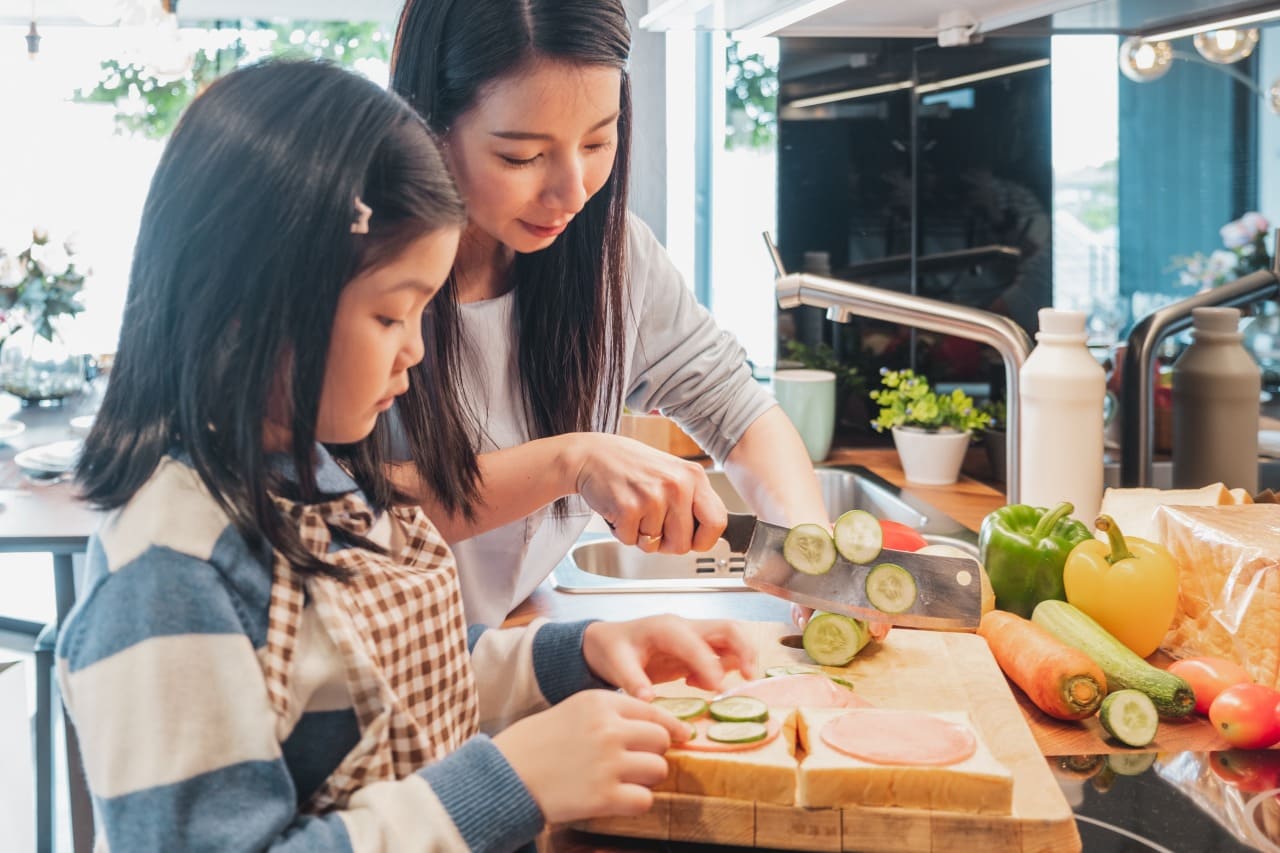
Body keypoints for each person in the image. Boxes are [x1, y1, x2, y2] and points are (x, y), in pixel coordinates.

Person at [60, 59, 757, 851]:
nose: (416, 352)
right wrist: (511, 780)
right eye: (392, 316)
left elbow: (389, 670)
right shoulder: (167, 576)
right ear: (262, 309)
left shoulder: (312, 476)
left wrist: (576, 654)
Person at [389, 0, 830, 626]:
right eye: (522, 156)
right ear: (429, 122)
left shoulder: (611, 254)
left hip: (501, 650)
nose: (572, 192)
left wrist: (812, 560)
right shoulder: (355, 268)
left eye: (599, 139)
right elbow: (330, 508)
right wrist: (570, 463)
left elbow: (737, 410)